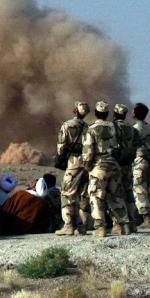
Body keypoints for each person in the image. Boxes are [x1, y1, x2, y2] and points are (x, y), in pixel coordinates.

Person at [81, 101, 130, 237]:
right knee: (116, 196)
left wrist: (87, 166)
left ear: (96, 113)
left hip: (99, 166)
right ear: (108, 114)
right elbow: (122, 146)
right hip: (114, 165)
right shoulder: (115, 127)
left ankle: (100, 227)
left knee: (96, 196)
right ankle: (124, 226)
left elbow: (88, 151)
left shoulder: (91, 129)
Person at [55, 101, 91, 236]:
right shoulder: (89, 127)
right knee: (83, 194)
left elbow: (61, 146)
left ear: (75, 110)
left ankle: (69, 225)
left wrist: (62, 158)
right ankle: (82, 226)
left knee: (67, 193)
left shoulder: (67, 125)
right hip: (87, 163)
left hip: (73, 162)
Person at [131, 102, 150, 229]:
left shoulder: (136, 129)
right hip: (149, 162)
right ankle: (146, 218)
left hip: (140, 161)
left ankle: (146, 218)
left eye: (134, 111)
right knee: (148, 189)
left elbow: (131, 146)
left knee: (139, 189)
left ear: (137, 113)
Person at [112, 104, 141, 231]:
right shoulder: (132, 129)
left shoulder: (112, 127)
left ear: (114, 114)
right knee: (129, 193)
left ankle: (120, 224)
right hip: (127, 164)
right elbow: (137, 145)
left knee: (116, 193)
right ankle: (133, 223)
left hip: (116, 164)